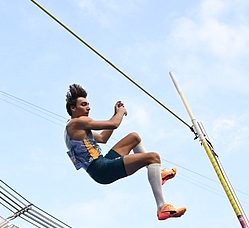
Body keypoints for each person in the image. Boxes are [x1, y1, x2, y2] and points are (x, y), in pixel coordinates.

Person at [64, 84, 186, 220]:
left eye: (88, 104)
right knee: (153, 157)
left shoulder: (76, 129)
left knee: (134, 137)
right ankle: (161, 207)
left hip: (102, 163)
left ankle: (158, 173)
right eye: (84, 104)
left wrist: (115, 114)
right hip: (100, 169)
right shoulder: (77, 122)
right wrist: (121, 111)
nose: (89, 107)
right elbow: (113, 124)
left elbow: (103, 138)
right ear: (73, 108)